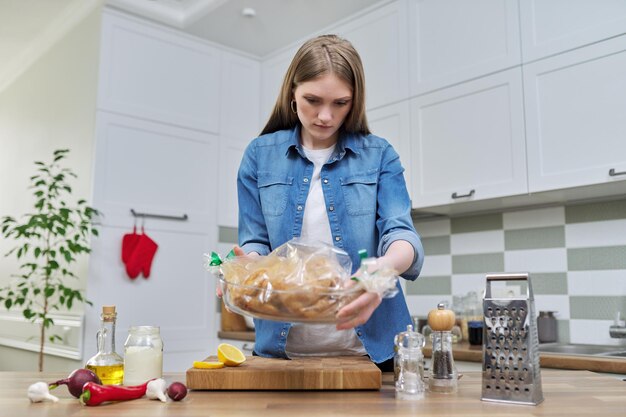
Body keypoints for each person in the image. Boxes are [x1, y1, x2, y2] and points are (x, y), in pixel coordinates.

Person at [232, 34, 424, 371]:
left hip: (372, 353)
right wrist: (248, 268)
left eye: (340, 103)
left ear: (355, 101)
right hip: (283, 354)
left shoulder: (379, 154)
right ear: (292, 92)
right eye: (312, 100)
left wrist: (382, 270)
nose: (325, 116)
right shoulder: (259, 155)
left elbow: (402, 235)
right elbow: (256, 240)